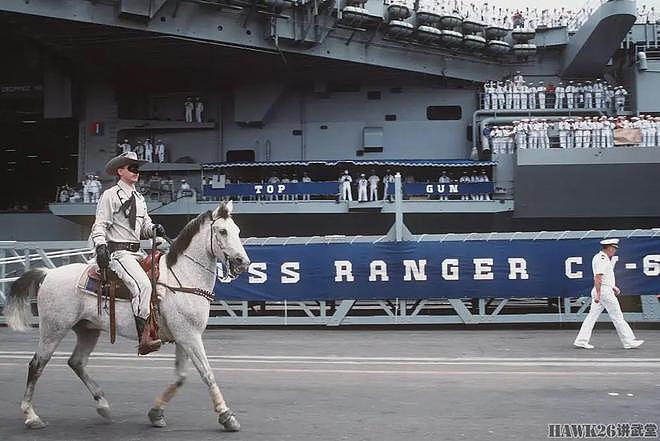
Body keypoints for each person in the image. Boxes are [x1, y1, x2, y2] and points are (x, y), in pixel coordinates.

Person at [90, 151, 166, 355]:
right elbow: (99, 225)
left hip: (137, 252)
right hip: (119, 253)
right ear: (120, 171)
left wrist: (154, 229)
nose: (136, 171)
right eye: (131, 168)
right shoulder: (110, 195)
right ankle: (145, 336)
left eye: (137, 168)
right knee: (142, 285)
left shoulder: (139, 198)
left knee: (162, 279)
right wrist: (100, 245)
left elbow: (144, 227)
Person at [573, 239, 644, 350]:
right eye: (614, 249)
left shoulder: (600, 257)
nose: (614, 251)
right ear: (610, 248)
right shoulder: (602, 259)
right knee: (618, 316)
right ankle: (628, 342)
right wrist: (598, 293)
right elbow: (598, 277)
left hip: (603, 290)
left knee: (591, 317)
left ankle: (581, 340)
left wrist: (612, 287)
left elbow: (604, 278)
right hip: (604, 292)